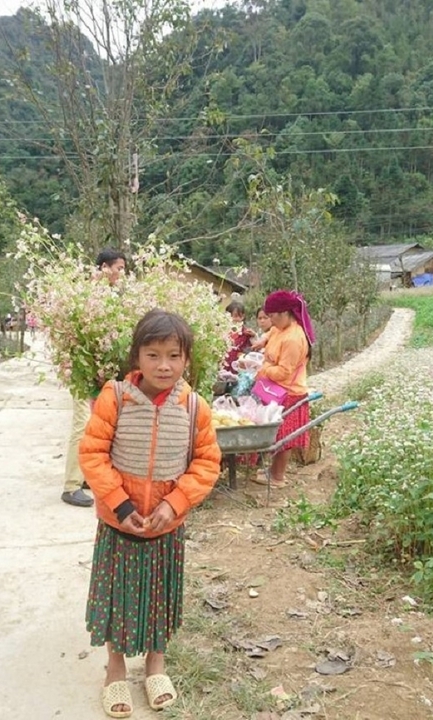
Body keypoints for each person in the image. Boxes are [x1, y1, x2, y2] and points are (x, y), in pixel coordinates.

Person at [80, 309, 221, 717]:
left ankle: (156, 664)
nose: (164, 365)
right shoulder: (116, 397)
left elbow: (206, 463)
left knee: (159, 597)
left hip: (166, 528)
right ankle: (116, 668)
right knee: (118, 599)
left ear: (187, 359)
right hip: (119, 525)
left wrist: (175, 503)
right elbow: (92, 453)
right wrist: (120, 505)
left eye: (174, 356)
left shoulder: (195, 407)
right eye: (153, 354)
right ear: (136, 358)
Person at [60, 247, 127, 507]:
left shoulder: (108, 295)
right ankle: (70, 485)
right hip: (80, 368)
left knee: (95, 424)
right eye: (119, 268)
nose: (122, 274)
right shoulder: (86, 295)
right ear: (104, 268)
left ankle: (84, 475)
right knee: (82, 422)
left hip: (95, 369)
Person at [250, 290, 316, 489]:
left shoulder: (293, 339)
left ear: (285, 313)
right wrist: (263, 340)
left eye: (271, 316)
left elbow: (284, 372)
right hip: (276, 388)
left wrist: (263, 369)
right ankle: (271, 471)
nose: (269, 320)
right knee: (276, 433)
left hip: (289, 392)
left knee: (283, 437)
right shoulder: (280, 328)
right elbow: (272, 333)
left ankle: (277, 477)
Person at [221, 300, 255, 374]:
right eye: (230, 316)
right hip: (221, 367)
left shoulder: (246, 333)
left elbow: (254, 349)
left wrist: (254, 336)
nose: (233, 319)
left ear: (242, 316)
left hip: (236, 370)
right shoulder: (222, 330)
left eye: (236, 316)